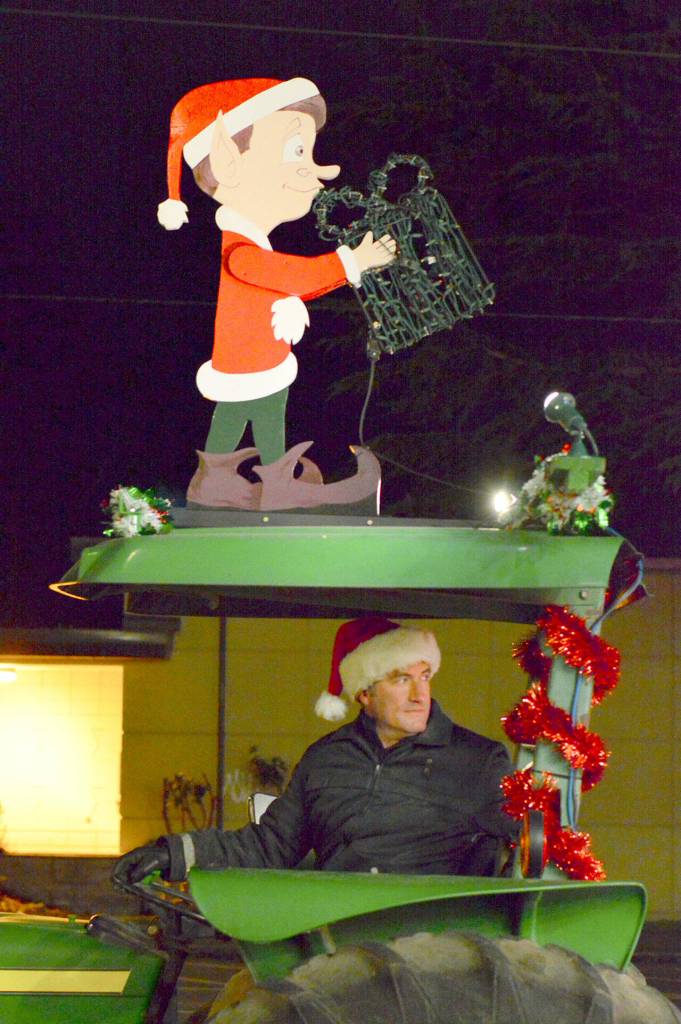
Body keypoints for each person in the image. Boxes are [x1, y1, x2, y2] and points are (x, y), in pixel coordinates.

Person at [114, 617, 517, 887]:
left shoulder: (479, 762)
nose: (419, 694)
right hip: (335, 935)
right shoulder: (327, 758)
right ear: (364, 693)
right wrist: (173, 851)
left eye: (424, 676)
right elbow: (270, 846)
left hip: (433, 946)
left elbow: (529, 847)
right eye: (401, 679)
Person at [157, 77, 396, 507]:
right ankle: (251, 481)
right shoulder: (240, 254)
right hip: (248, 362)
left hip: (259, 362)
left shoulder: (249, 245)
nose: (317, 171)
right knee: (252, 413)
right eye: (296, 150)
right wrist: (351, 262)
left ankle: (241, 480)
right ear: (229, 161)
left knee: (251, 413)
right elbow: (292, 276)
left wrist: (349, 268)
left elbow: (298, 281)